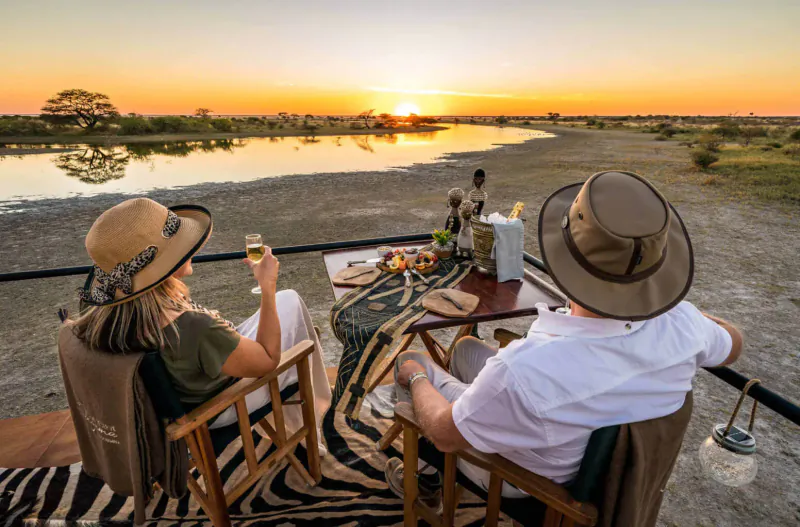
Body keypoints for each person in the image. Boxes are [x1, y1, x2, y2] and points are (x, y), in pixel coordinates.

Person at [385, 170, 743, 506]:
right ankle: (468, 421)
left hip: (522, 479)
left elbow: (446, 433)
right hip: (590, 462)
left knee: (409, 361)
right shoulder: (685, 324)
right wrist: (676, 309)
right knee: (464, 349)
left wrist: (416, 375)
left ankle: (428, 482)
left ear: (566, 256)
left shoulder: (526, 369)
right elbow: (733, 342)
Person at [71, 197, 331, 430]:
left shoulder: (109, 317)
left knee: (287, 301)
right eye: (180, 246)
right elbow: (267, 362)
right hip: (219, 406)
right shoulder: (190, 327)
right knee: (293, 314)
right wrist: (267, 286)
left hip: (184, 396)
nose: (190, 249)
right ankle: (319, 409)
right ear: (163, 265)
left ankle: (315, 404)